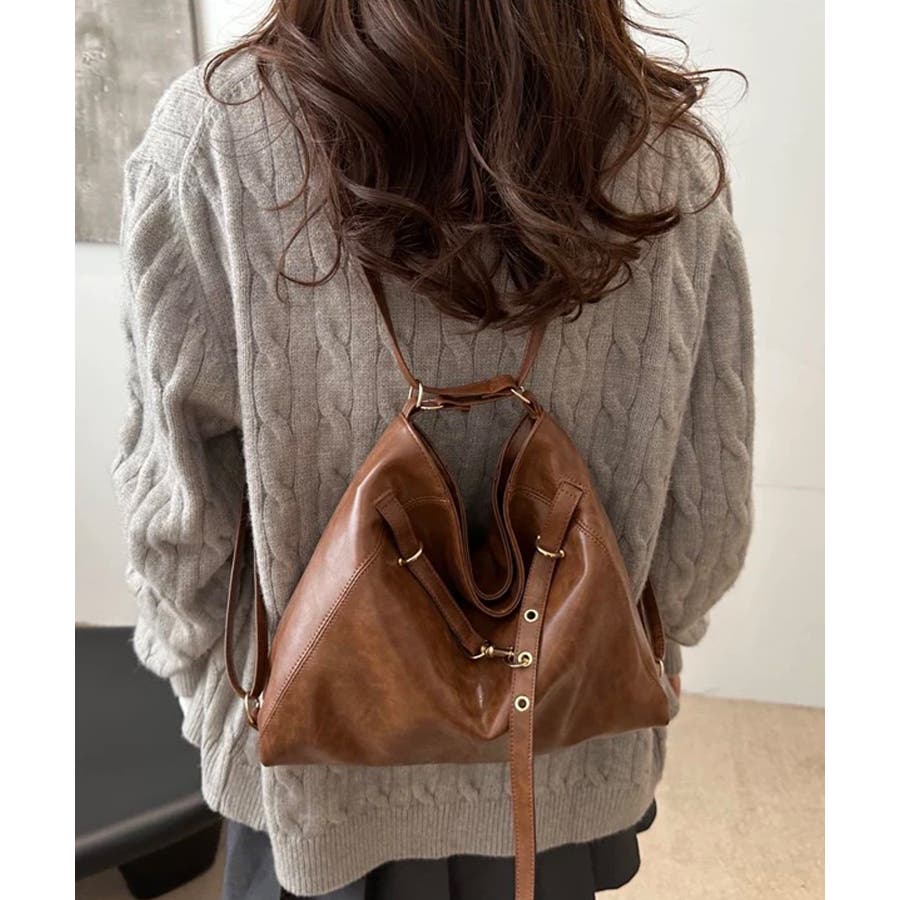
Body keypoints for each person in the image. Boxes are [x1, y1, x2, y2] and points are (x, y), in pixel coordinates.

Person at [112, 2, 753, 898]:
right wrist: (631, 663)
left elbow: (173, 515)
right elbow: (706, 519)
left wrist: (219, 699)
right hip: (563, 753)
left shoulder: (217, 133)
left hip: (313, 770)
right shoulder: (668, 151)